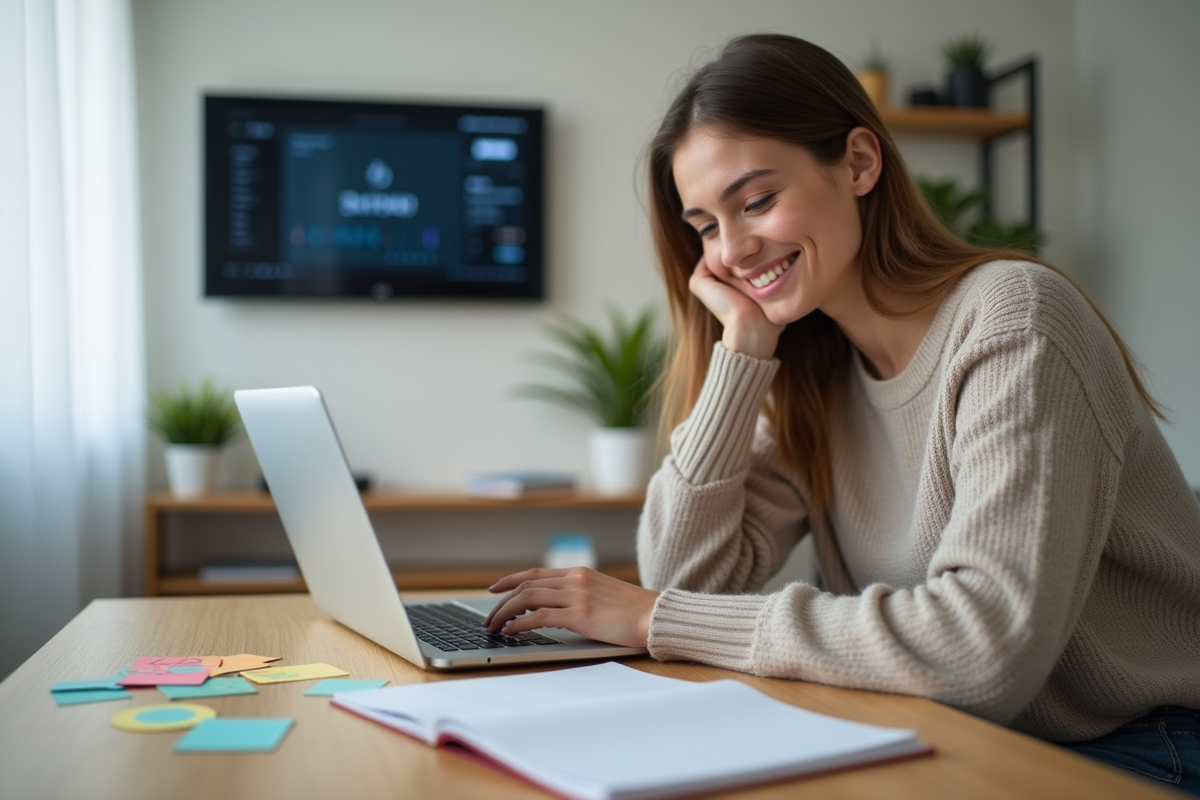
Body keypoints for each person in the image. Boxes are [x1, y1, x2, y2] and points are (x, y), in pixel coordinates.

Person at [484, 33, 1200, 793]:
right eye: (704, 227)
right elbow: (687, 579)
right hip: (948, 731)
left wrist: (657, 618)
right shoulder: (811, 367)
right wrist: (743, 353)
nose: (731, 250)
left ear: (859, 162)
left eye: (757, 200)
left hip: (1141, 746)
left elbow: (981, 650)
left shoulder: (1015, 322)